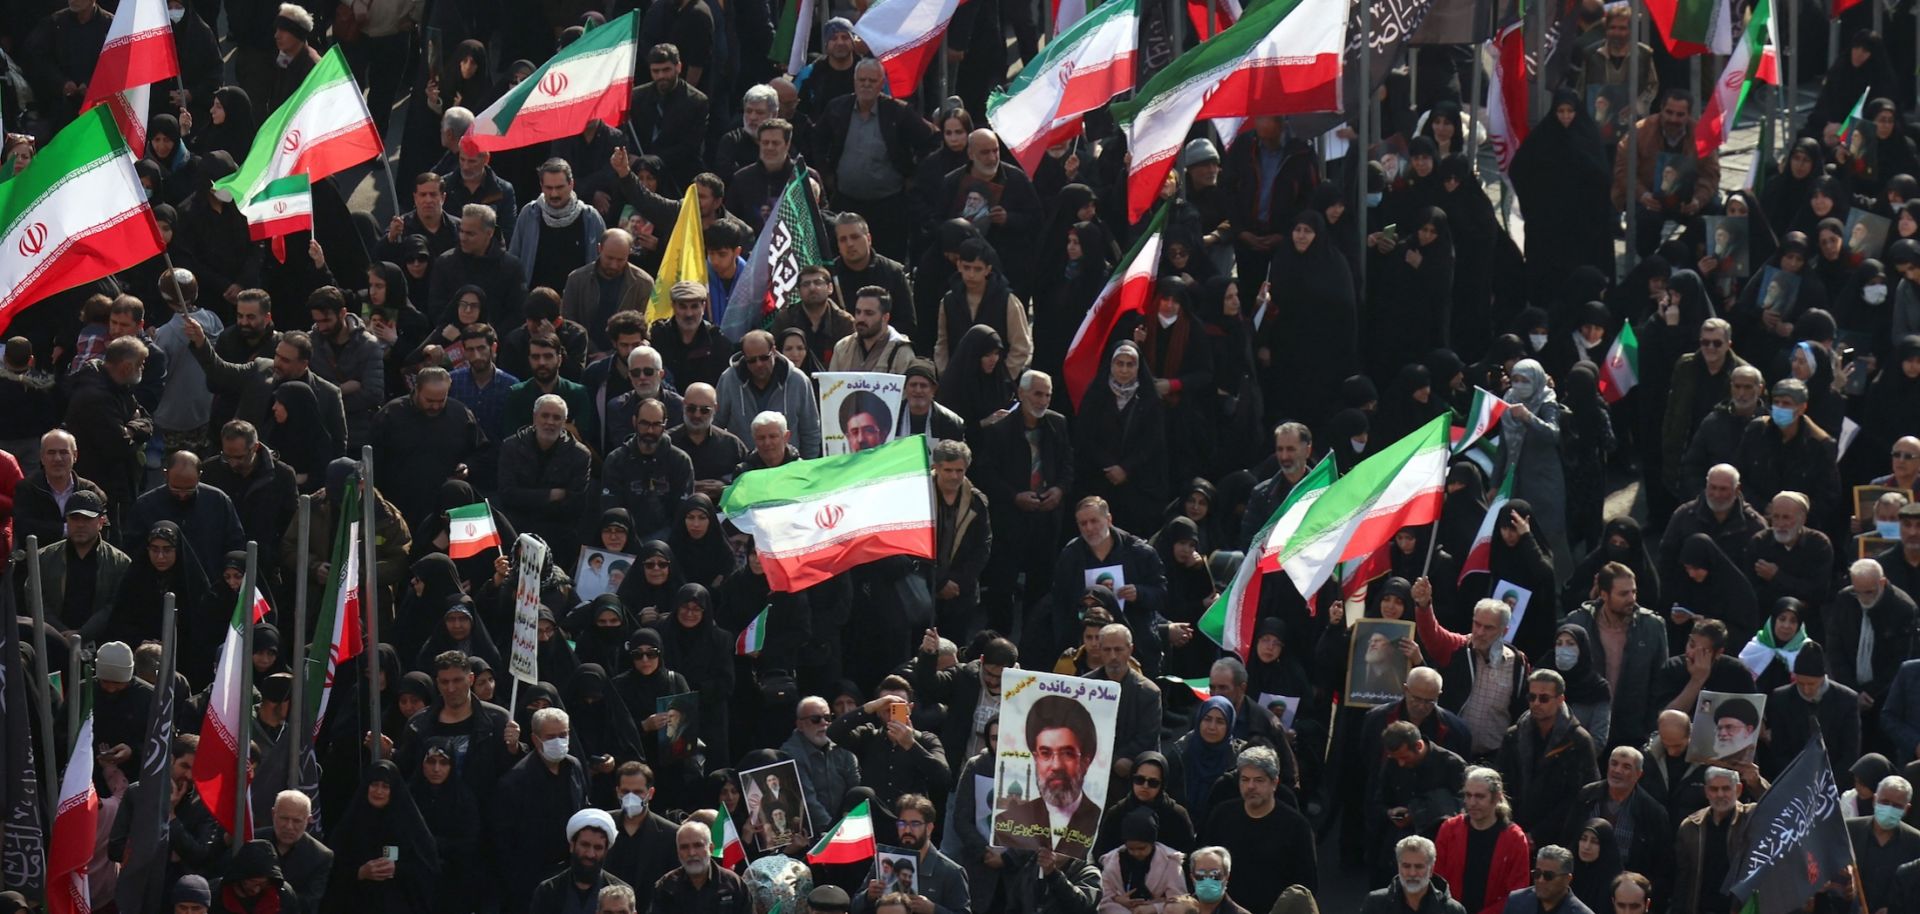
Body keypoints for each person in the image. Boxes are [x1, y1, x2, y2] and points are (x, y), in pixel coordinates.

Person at [1200, 746, 1317, 912]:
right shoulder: (1222, 815)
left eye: (1259, 780)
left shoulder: (1297, 827)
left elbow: (1306, 885)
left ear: (1274, 783)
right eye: (1245, 779)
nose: (1251, 786)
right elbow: (1203, 864)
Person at [993, 693, 1103, 856]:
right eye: (1045, 753)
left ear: (1086, 762)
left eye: (1067, 753)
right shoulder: (1009, 820)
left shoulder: (1099, 821)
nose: (1056, 766)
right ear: (1035, 758)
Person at [1433, 767, 1532, 914]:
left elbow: (1517, 893)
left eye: (1479, 796)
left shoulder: (1514, 838)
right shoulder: (1450, 829)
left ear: (1497, 797)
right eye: (1468, 795)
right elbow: (1436, 878)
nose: (1472, 802)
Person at [1670, 767, 1755, 914]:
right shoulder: (1690, 827)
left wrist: (1757, 782)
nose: (1720, 794)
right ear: (1706, 792)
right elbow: (1682, 880)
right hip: (1701, 907)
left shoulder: (1750, 819)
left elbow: (1777, 809)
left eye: (1726, 788)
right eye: (1714, 789)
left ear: (1739, 789)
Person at [1361, 836, 1470, 914]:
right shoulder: (1375, 904)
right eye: (1406, 866)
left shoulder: (1453, 910)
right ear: (1399, 867)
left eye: (1419, 867)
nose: (1412, 873)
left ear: (1431, 869)